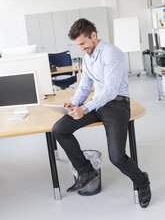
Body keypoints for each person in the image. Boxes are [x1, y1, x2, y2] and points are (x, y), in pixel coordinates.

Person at [52, 18, 151, 208]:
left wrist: (85, 108)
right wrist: (73, 104)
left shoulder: (111, 53)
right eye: (77, 45)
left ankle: (142, 181)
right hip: (97, 104)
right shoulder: (87, 57)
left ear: (93, 36)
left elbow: (111, 91)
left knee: (117, 157)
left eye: (82, 43)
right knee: (59, 129)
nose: (81, 48)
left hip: (117, 105)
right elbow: (84, 86)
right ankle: (86, 171)